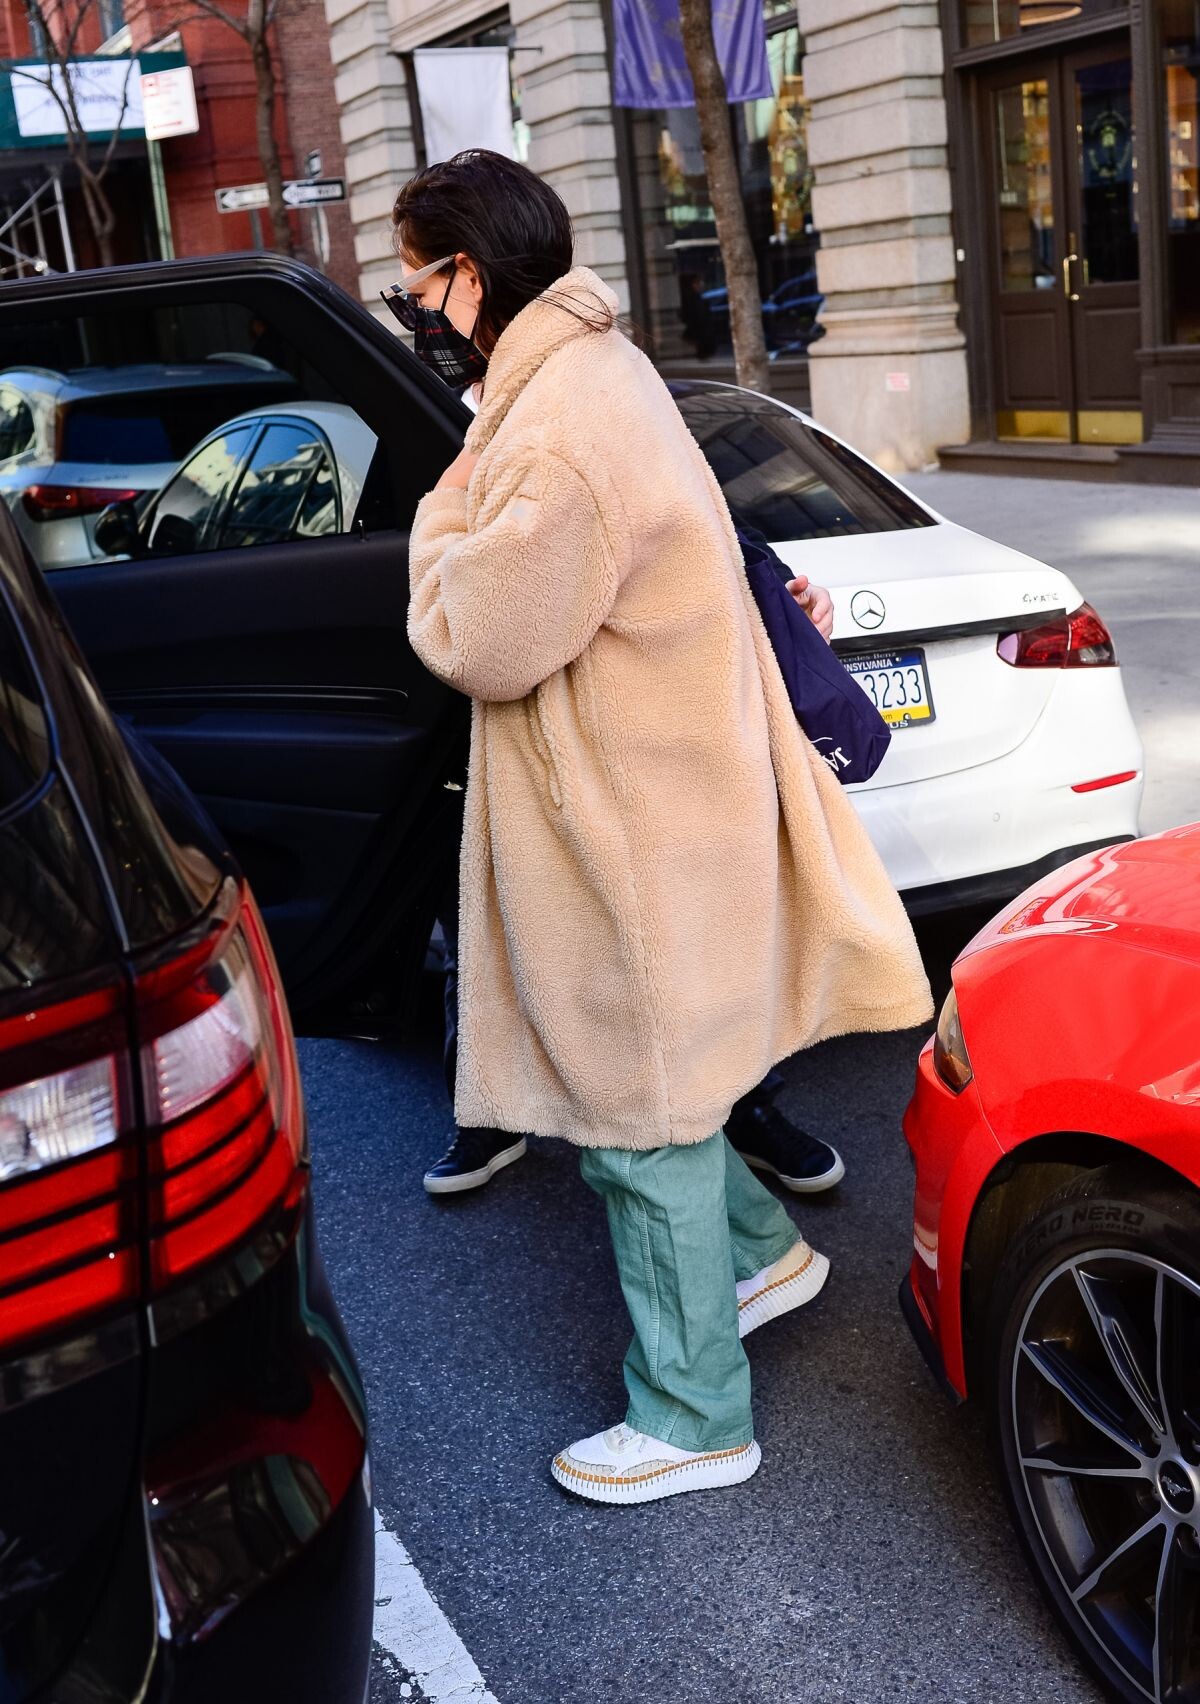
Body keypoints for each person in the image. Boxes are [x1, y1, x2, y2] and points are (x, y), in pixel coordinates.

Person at [392, 150, 932, 1505]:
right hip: (667, 796)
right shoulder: (597, 372)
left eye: (416, 277)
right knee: (666, 1094)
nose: (410, 302)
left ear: (471, 274)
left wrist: (441, 514)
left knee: (637, 1119)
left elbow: (476, 637)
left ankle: (695, 1417)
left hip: (623, 825)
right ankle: (760, 1255)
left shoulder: (551, 431)